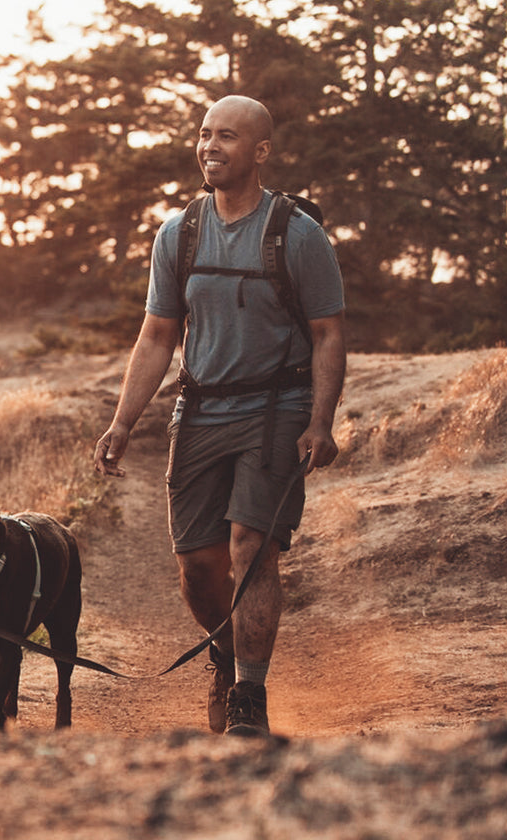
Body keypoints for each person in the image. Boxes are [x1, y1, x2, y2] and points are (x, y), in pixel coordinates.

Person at [92, 95, 346, 738]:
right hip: (200, 411)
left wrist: (321, 420)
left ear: (260, 151)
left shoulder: (297, 233)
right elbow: (156, 336)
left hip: (275, 411)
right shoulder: (178, 233)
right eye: (204, 135)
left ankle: (249, 700)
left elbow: (327, 333)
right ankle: (226, 653)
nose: (210, 146)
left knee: (251, 550)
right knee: (199, 569)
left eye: (227, 137)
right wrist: (122, 423)